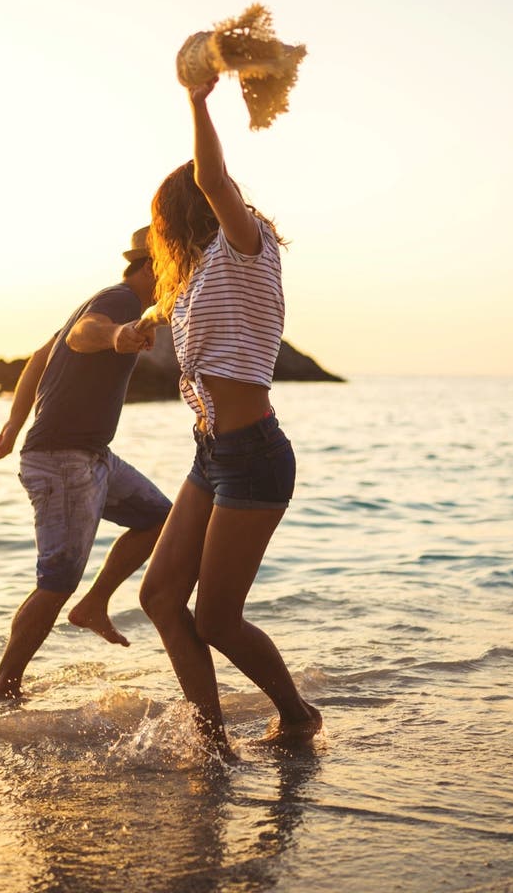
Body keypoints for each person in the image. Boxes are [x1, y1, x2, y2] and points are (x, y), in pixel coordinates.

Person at [136, 74, 322, 750]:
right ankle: (210, 741)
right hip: (211, 454)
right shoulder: (199, 274)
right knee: (159, 597)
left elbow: (214, 180)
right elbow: (175, 310)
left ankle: (298, 715)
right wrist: (139, 325)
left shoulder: (248, 247)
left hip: (254, 455)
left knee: (216, 617)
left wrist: (197, 100)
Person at [0, 230, 171, 700]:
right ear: (152, 267)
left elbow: (39, 358)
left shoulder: (110, 301)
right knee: (57, 580)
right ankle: (3, 687)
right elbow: (84, 336)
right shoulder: (120, 299)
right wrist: (117, 334)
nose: (182, 279)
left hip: (92, 455)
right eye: (177, 267)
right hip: (62, 459)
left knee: (159, 518)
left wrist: (11, 426)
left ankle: (94, 604)